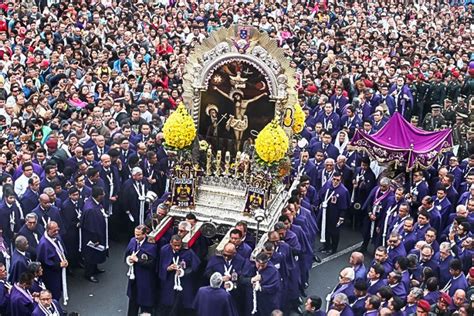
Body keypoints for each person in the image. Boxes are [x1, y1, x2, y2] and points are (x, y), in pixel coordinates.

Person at [158, 234, 200, 316]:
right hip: (169, 282)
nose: (177, 247)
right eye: (175, 245)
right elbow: (160, 266)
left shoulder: (188, 252)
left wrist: (183, 272)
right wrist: (167, 268)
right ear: (170, 243)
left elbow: (195, 267)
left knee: (181, 306)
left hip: (184, 283)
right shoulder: (164, 250)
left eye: (179, 245)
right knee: (167, 306)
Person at [125, 225, 157, 316]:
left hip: (145, 279)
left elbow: (152, 264)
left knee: (145, 302)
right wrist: (129, 260)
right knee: (133, 302)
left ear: (144, 234)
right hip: (134, 278)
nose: (136, 237)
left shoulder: (151, 245)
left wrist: (138, 260)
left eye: (138, 235)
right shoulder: (132, 241)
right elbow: (127, 254)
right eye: (135, 234)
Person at [316, 172, 350, 254]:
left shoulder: (343, 191)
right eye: (334, 179)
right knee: (325, 229)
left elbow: (344, 206)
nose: (335, 181)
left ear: (340, 180)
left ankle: (334, 248)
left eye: (337, 180)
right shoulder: (327, 185)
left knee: (334, 232)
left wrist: (341, 217)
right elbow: (321, 194)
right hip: (325, 212)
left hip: (335, 214)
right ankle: (326, 245)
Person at [81, 186, 108, 283]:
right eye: (102, 194)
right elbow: (91, 227)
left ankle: (95, 269)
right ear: (98, 196)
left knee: (95, 254)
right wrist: (95, 239)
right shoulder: (91, 210)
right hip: (92, 237)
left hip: (97, 233)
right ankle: (89, 274)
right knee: (90, 255)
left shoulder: (93, 203)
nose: (104, 195)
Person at [36, 221, 68, 302]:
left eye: (57, 230)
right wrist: (59, 264)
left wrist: (65, 259)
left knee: (58, 289)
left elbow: (62, 249)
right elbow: (45, 261)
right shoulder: (44, 244)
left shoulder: (56, 236)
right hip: (50, 273)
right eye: (54, 231)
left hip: (58, 270)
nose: (57, 232)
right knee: (54, 291)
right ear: (48, 230)